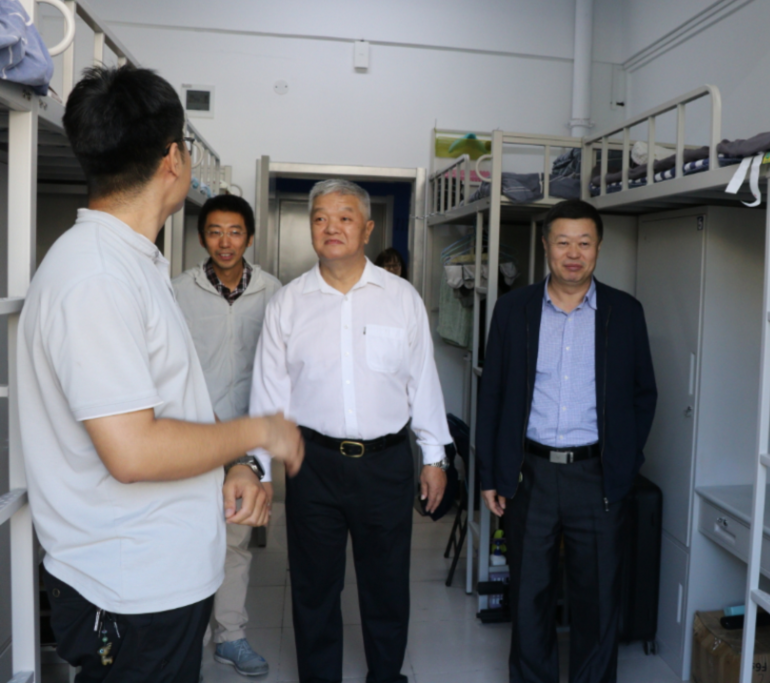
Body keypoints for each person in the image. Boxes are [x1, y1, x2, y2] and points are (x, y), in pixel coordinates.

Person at [17, 64, 304, 683]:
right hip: (129, 592)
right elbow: (133, 452)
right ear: (174, 159)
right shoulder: (97, 278)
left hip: (156, 578)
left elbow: (171, 403)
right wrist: (259, 432)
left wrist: (230, 464)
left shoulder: (134, 263)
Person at [250, 179, 451, 683]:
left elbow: (422, 381)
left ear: (367, 228)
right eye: (320, 217)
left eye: (344, 217)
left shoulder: (400, 298)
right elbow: (268, 395)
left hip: (385, 465)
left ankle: (386, 675)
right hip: (313, 464)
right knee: (314, 587)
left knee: (386, 585)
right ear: (311, 228)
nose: (331, 227)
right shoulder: (288, 304)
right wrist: (259, 470)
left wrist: (434, 457)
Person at [476, 199, 658, 683]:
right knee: (529, 595)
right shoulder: (513, 309)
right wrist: (491, 473)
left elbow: (644, 394)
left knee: (597, 597)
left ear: (598, 247)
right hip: (529, 474)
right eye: (563, 242)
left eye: (584, 243)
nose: (573, 254)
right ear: (545, 246)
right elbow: (492, 395)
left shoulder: (625, 312)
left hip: (597, 476)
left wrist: (624, 461)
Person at [172, 193, 283, 676]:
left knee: (236, 540)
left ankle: (230, 636)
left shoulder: (274, 292)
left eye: (235, 232)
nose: (225, 242)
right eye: (215, 232)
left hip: (246, 439)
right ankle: (187, 640)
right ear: (202, 238)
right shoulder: (179, 291)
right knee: (191, 537)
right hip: (193, 437)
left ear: (249, 238)